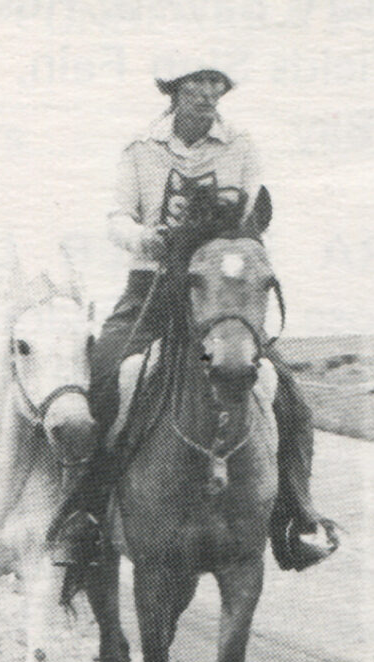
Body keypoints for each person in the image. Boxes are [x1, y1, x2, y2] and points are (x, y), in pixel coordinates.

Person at [53, 56, 338, 572]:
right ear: (174, 89)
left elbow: (249, 220)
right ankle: (86, 514)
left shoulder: (242, 147)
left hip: (220, 292)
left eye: (216, 83)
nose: (208, 92)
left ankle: (296, 517)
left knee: (288, 394)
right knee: (102, 377)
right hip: (152, 286)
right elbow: (116, 216)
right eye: (197, 82)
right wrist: (146, 237)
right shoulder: (141, 150)